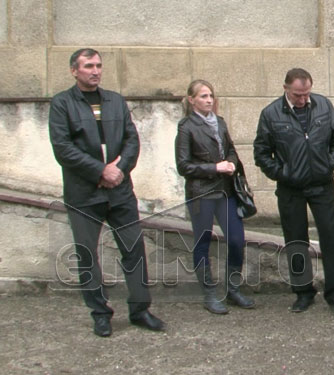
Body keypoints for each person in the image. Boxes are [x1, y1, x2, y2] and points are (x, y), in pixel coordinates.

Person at [49, 48, 165, 337]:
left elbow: (131, 140)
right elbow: (63, 148)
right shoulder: (62, 103)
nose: (96, 70)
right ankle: (100, 313)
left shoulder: (115, 101)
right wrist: (100, 171)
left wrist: (119, 169)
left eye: (99, 65)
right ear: (74, 71)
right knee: (87, 255)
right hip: (84, 194)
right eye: (88, 66)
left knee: (134, 250)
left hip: (120, 191)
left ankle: (140, 310)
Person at [253, 68, 334, 318]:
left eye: (306, 94)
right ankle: (303, 292)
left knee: (330, 237)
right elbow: (262, 153)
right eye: (298, 95)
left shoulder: (324, 106)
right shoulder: (271, 114)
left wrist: (330, 162)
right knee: (296, 240)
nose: (303, 99)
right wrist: (283, 173)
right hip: (290, 188)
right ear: (286, 88)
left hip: (322, 184)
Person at [175, 79, 255, 314]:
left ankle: (232, 289)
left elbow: (230, 149)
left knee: (236, 239)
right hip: (201, 193)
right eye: (203, 96)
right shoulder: (186, 127)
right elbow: (183, 165)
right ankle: (209, 294)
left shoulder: (219, 123)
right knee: (202, 242)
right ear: (191, 100)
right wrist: (215, 168)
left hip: (226, 191)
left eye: (210, 96)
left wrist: (230, 163)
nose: (208, 100)